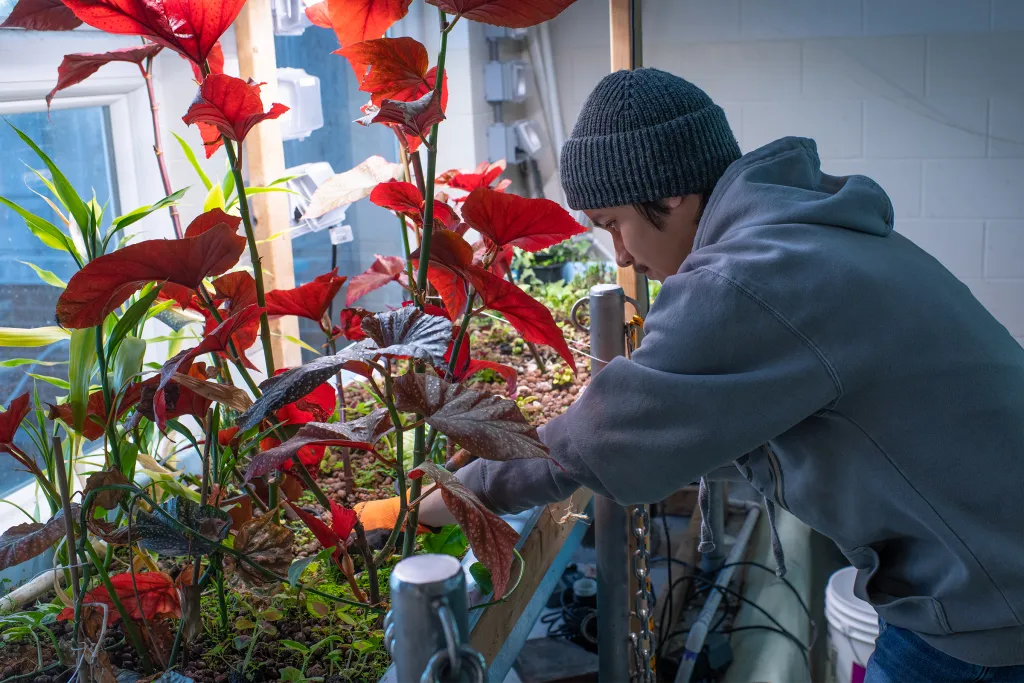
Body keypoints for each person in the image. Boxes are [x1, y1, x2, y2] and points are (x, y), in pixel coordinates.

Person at [356, 68, 1024, 682]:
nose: (619, 252)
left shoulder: (752, 278)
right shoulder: (806, 234)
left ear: (671, 191)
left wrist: (428, 500)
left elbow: (592, 443)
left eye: (614, 223)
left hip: (989, 612)